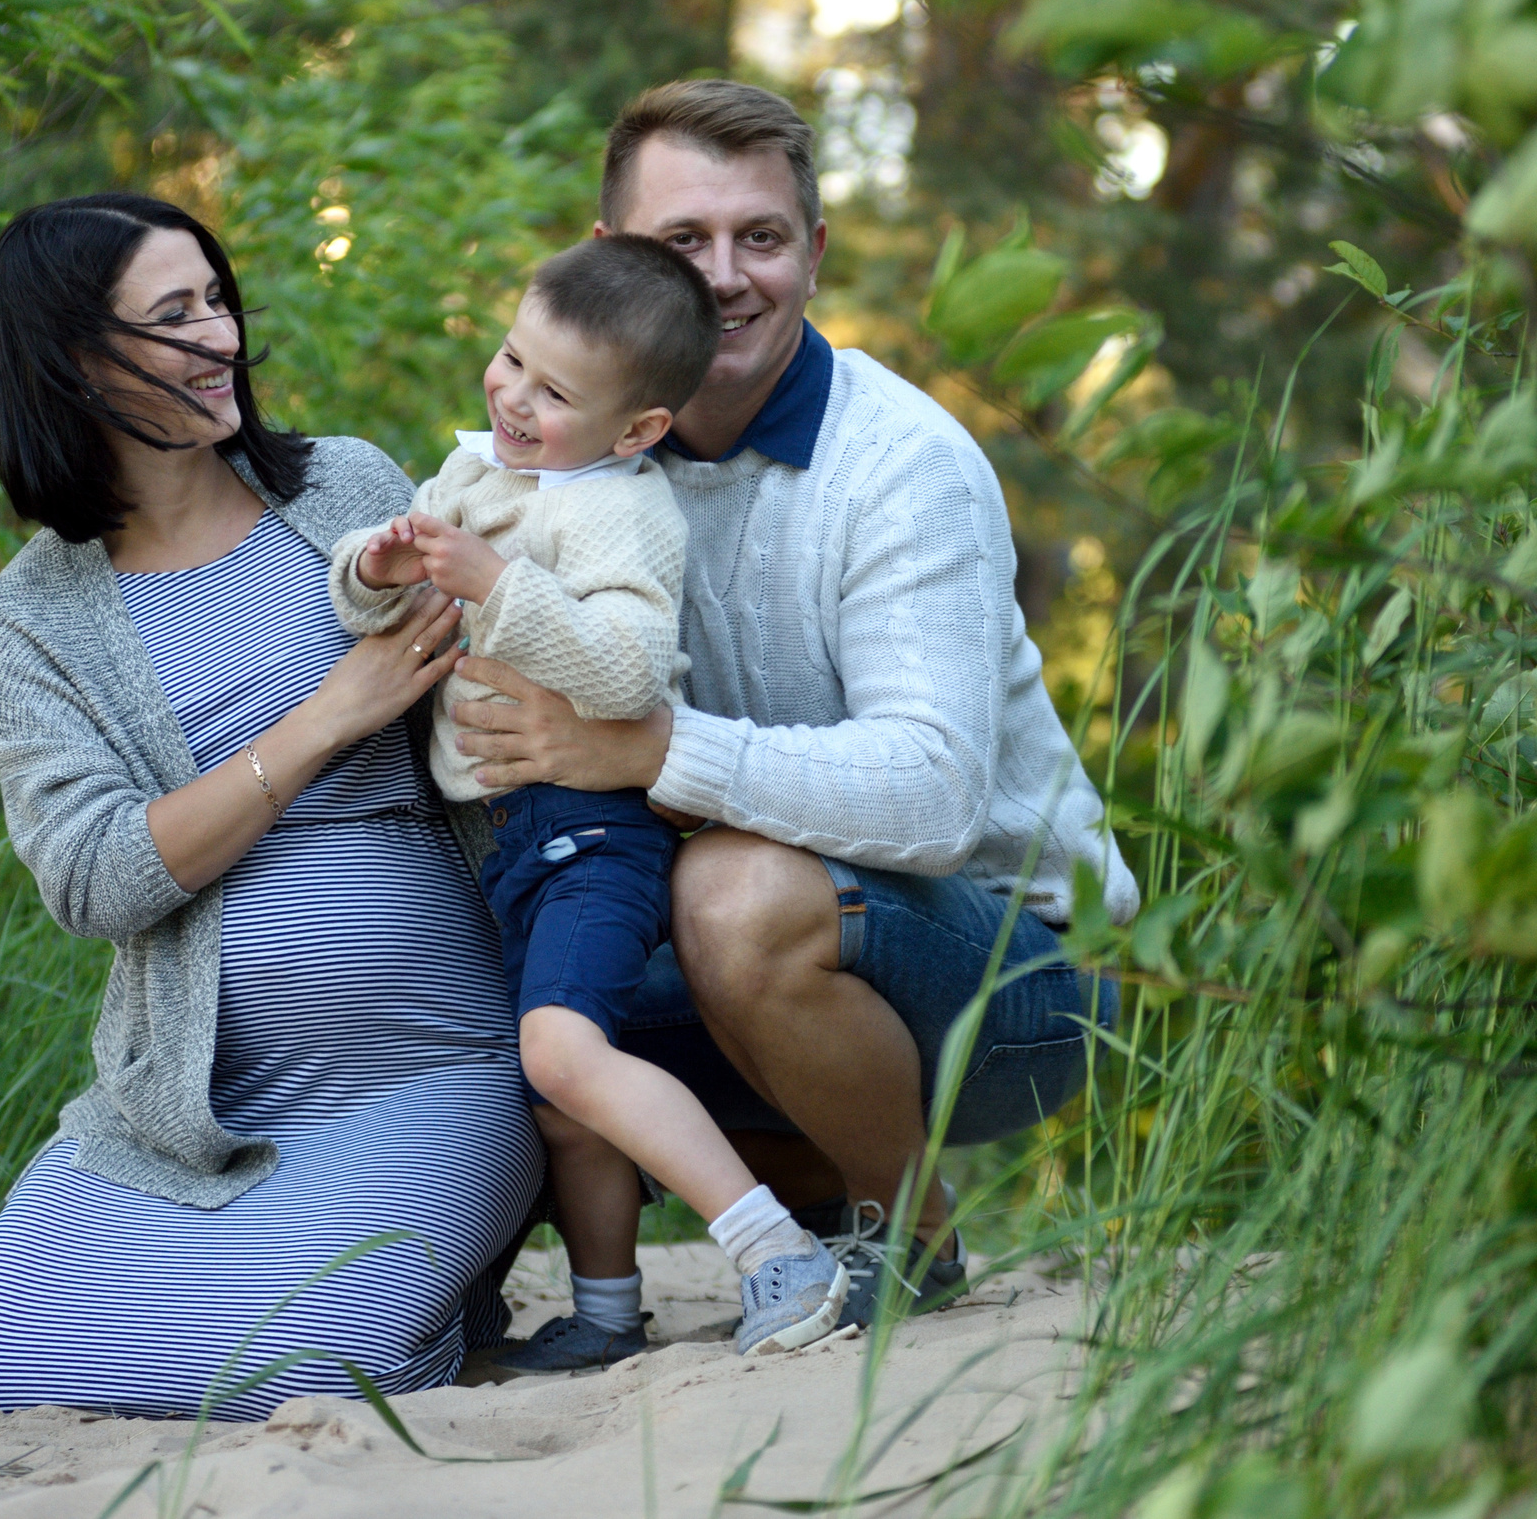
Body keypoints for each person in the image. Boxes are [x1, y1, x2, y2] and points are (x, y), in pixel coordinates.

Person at [442, 81, 1141, 1351]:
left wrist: (649, 751)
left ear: (813, 254)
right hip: (729, 966)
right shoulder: (560, 453)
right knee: (474, 975)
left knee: (734, 891)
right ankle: (507, 1264)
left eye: (759, 238)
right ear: (608, 258)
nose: (722, 278)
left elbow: (931, 795)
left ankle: (908, 1233)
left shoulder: (901, 465)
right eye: (679, 243)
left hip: (1010, 973)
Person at [0, 192, 544, 1418]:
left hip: (435, 1059)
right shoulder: (29, 618)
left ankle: (437, 1293)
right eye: (173, 317)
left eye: (218, 301)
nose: (219, 338)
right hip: (190, 1109)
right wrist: (326, 717)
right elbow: (96, 876)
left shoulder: (343, 491)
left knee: (293, 1371)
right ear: (72, 359)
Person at [327, 235, 848, 1367]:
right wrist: (376, 570)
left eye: (553, 392)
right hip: (513, 839)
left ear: (637, 428)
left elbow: (623, 670)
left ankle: (776, 1251)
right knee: (558, 1094)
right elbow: (382, 608)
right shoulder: (474, 476)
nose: (513, 397)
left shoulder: (616, 508)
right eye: (511, 359)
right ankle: (606, 1313)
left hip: (594, 831)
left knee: (563, 1053)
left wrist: (497, 584)